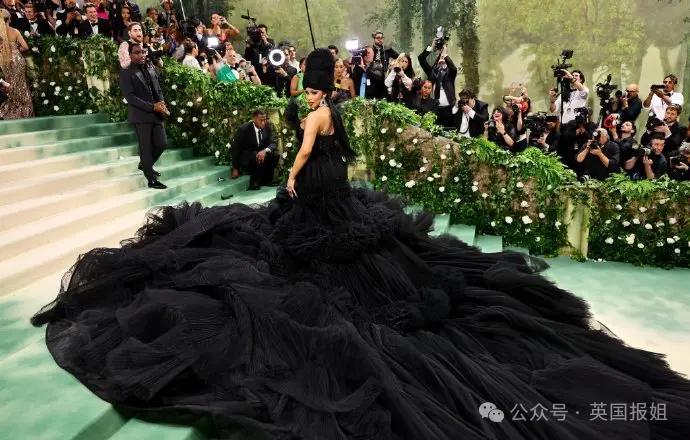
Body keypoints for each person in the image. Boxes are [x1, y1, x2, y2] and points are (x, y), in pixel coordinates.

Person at [30, 48, 690, 440]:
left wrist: (291, 180)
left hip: (317, 192)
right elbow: (341, 152)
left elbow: (303, 153)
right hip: (339, 191)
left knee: (307, 260)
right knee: (341, 252)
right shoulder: (339, 109)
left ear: (314, 80)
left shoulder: (313, 112)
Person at [118, 43, 168, 189]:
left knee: (162, 144)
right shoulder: (126, 72)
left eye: (143, 51)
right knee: (145, 148)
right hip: (140, 115)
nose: (141, 55)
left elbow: (157, 88)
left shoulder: (150, 67)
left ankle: (145, 165)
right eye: (137, 52)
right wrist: (152, 107)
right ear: (130, 55)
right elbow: (130, 97)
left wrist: (162, 103)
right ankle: (151, 180)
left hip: (157, 113)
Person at [230, 109, 278, 189]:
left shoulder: (267, 126)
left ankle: (267, 180)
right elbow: (235, 148)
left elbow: (273, 143)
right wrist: (235, 168)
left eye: (265, 120)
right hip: (248, 155)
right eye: (261, 120)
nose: (263, 122)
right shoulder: (244, 129)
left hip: (261, 152)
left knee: (275, 155)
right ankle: (254, 182)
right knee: (256, 155)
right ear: (254, 119)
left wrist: (265, 150)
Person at [0, 9, 32, 120]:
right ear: (9, 19)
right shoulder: (15, 31)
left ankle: (12, 111)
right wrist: (16, 49)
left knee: (10, 85)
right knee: (22, 85)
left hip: (5, 61)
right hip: (17, 60)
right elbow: (25, 47)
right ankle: (25, 112)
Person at [418, 41, 457, 130]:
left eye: (445, 60)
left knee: (448, 132)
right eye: (440, 58)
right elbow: (421, 59)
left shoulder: (450, 74)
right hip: (434, 109)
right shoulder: (432, 72)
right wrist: (431, 47)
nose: (442, 60)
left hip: (448, 109)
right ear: (436, 62)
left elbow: (453, 68)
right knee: (433, 131)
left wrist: (444, 54)